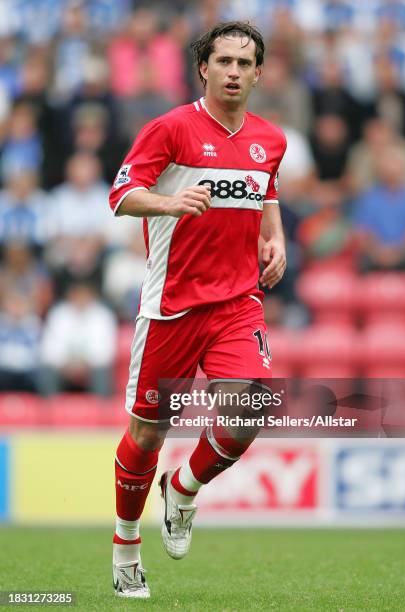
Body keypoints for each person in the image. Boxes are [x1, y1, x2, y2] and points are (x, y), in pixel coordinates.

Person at [108, 21, 287, 599]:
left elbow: (266, 188)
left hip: (237, 302)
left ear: (259, 73)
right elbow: (120, 195)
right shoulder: (171, 129)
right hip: (171, 307)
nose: (234, 71)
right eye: (224, 61)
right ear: (203, 68)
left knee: (250, 409)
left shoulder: (269, 138)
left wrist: (274, 235)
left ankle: (182, 489)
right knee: (146, 430)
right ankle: (126, 546)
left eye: (245, 62)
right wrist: (170, 200)